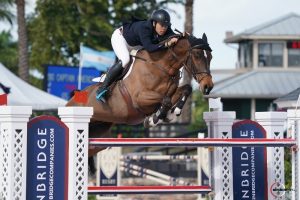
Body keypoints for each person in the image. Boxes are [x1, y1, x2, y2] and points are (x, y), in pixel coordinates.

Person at [96, 9, 178, 102]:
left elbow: (174, 36)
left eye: (166, 26)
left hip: (135, 44)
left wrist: (183, 36)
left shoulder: (165, 28)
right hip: (121, 38)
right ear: (154, 23)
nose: (164, 28)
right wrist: (167, 44)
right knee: (125, 59)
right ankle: (102, 88)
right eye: (162, 25)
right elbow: (150, 48)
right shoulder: (144, 28)